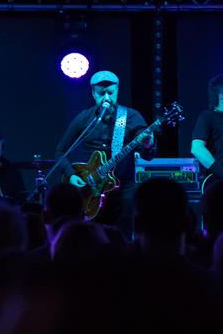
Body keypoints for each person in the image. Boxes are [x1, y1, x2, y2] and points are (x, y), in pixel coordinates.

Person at [54, 70, 155, 225]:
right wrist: (71, 175)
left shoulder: (131, 117)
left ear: (117, 91)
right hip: (90, 188)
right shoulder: (84, 118)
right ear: (93, 93)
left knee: (123, 229)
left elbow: (148, 155)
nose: (107, 98)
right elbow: (60, 151)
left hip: (122, 188)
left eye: (110, 92)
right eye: (102, 93)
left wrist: (148, 144)